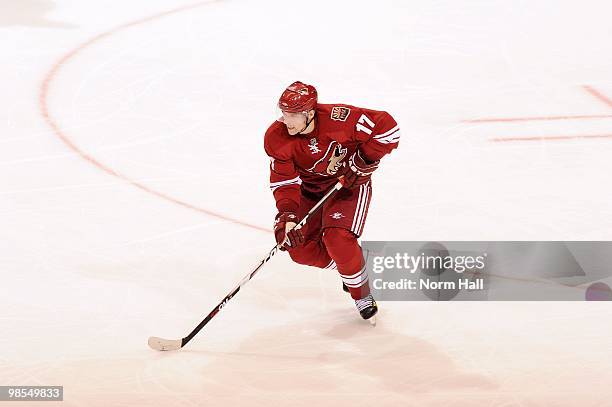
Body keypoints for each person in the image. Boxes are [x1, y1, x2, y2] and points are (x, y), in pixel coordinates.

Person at [264, 81, 400, 322]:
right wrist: (287, 217)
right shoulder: (277, 138)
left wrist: (364, 160)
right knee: (298, 249)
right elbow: (284, 182)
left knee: (338, 239)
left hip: (346, 187)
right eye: (283, 113)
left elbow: (387, 128)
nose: (286, 120)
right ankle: (352, 266)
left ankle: (361, 292)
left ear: (309, 113)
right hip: (308, 191)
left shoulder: (341, 120)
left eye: (293, 114)